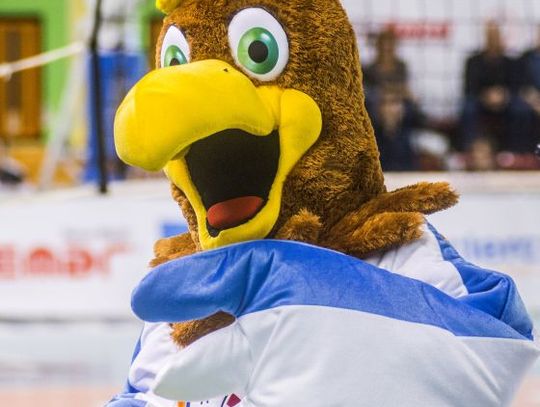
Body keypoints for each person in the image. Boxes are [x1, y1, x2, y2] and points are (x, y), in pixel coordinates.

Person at [460, 21, 520, 152]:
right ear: (485, 37)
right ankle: (470, 149)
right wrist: (486, 96)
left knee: (520, 109)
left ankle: (515, 151)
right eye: (490, 35)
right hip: (480, 99)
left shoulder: (510, 62)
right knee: (468, 107)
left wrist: (503, 95)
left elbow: (515, 85)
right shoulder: (473, 61)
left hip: (504, 100)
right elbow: (469, 87)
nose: (493, 39)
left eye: (495, 35)